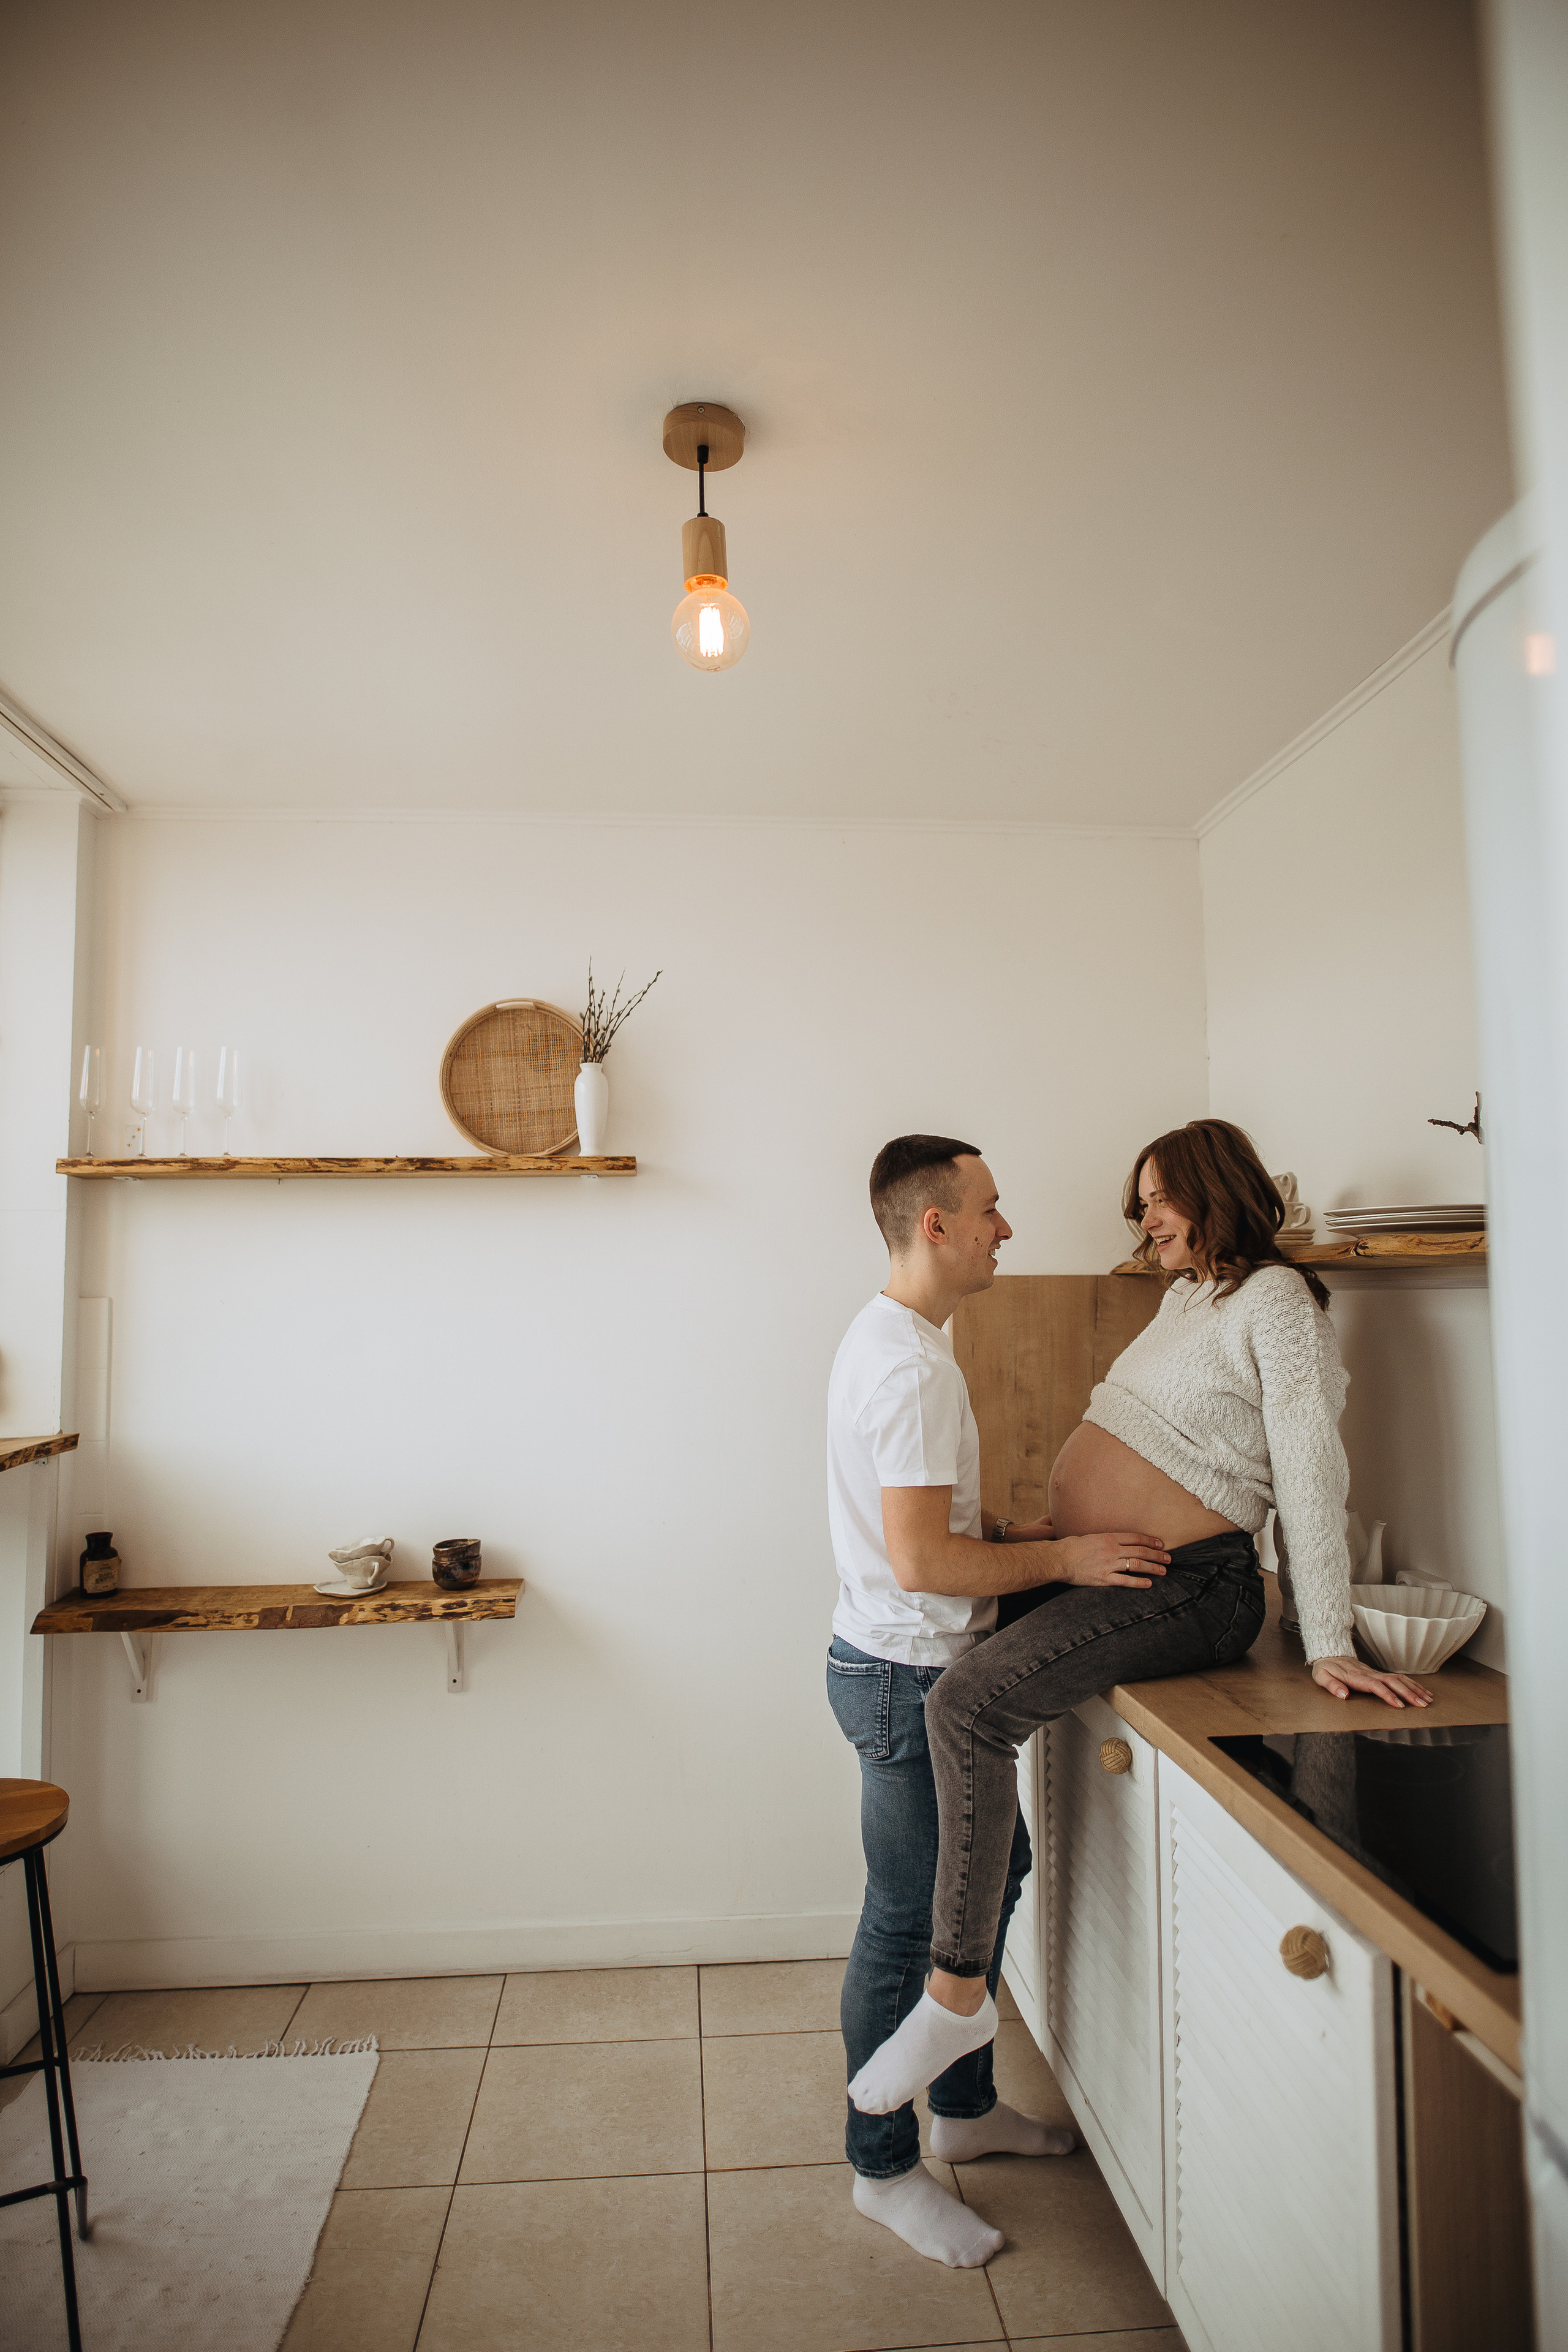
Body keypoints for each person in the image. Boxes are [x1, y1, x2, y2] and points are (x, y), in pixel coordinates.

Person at [848, 1118, 1433, 2122]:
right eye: (1144, 1201)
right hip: (1127, 1574)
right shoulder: (1190, 1298)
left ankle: (952, 1994)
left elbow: (1309, 1471)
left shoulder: (1277, 1301)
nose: (1145, 1217)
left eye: (1162, 1197)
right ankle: (961, 2063)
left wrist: (1328, 1639)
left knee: (965, 1706)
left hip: (1195, 1589)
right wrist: (1037, 1536)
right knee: (946, 1670)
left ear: (1218, 1193)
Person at [826, 1134, 1173, 2266]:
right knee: (910, 1929)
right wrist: (1067, 1560)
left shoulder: (893, 1338)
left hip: (901, 1663)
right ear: (936, 1224)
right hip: (905, 1677)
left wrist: (1018, 1536)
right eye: (989, 1209)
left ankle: (964, 2114)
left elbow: (921, 1537)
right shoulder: (913, 1367)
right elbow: (921, 1565)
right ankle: (883, 2171)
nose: (1005, 1228)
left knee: (990, 1881)